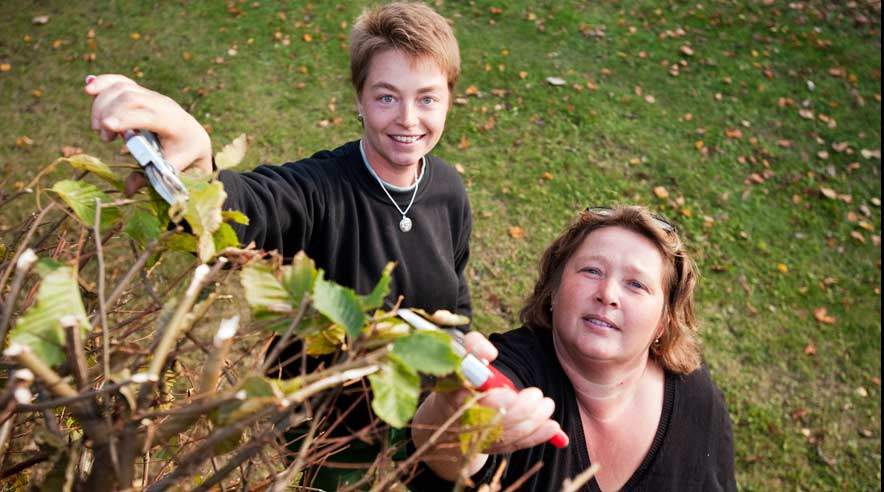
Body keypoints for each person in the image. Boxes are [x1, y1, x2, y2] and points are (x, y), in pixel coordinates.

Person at [84, 2, 471, 488]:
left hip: (422, 405)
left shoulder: (449, 191)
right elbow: (253, 206)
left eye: (428, 99)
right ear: (359, 98)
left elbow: (455, 294)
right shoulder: (321, 189)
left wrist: (459, 360)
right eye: (387, 97)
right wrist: (199, 168)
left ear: (449, 101)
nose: (408, 119)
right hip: (332, 425)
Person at [409, 206, 736, 491]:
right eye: (592, 270)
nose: (607, 293)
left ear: (664, 322)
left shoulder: (695, 394)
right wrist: (454, 415)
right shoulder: (514, 365)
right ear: (554, 290)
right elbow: (442, 459)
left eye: (636, 284)